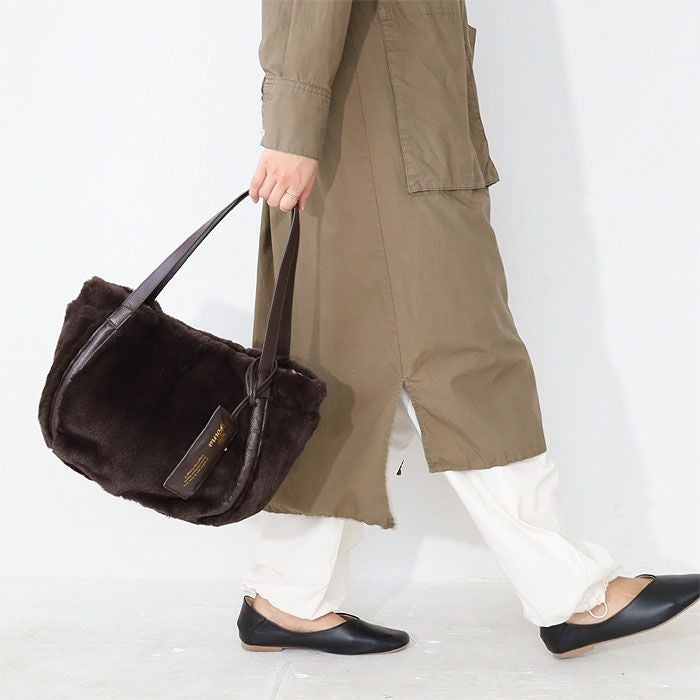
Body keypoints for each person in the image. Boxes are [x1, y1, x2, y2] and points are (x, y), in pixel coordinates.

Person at [236, 0, 699, 656]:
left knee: (351, 379)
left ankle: (288, 596)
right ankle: (575, 596)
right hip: (377, 141)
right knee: (466, 364)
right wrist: (292, 129)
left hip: (401, 131)